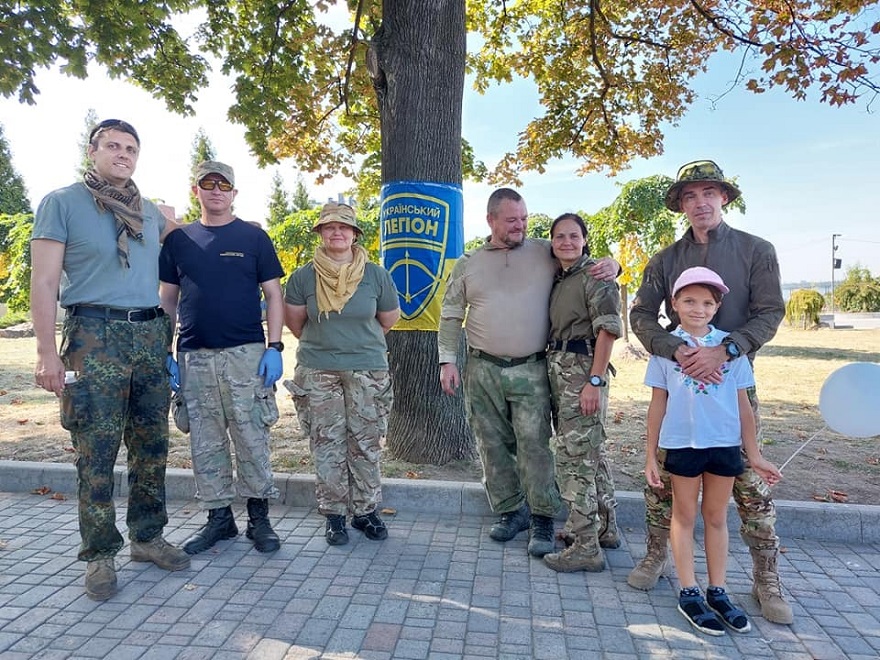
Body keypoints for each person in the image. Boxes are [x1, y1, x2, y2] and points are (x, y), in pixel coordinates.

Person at [31, 118, 190, 601]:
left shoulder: (148, 211)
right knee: (96, 450)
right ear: (92, 150)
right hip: (92, 334)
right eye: (114, 146)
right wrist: (44, 352)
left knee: (151, 444)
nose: (123, 154)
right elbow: (43, 282)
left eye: (131, 149)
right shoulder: (62, 203)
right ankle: (100, 554)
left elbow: (192, 240)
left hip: (148, 335)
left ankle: (146, 537)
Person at [628, 159, 791, 624]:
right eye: (690, 196)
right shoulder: (664, 260)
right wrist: (676, 350)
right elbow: (641, 315)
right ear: (681, 204)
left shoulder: (756, 250)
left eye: (708, 193)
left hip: (731, 382)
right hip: (677, 384)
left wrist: (727, 350)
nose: (700, 202)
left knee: (750, 487)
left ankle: (765, 577)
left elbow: (769, 312)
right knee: (664, 483)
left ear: (723, 197)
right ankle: (659, 556)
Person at [438, 188, 618, 558]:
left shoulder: (543, 251)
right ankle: (510, 511)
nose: (520, 225)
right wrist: (447, 360)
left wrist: (614, 263)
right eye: (511, 220)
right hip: (482, 367)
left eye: (523, 218)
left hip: (532, 368)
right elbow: (452, 313)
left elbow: (583, 262)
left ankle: (542, 517)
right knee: (490, 443)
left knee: (535, 445)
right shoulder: (468, 263)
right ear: (491, 220)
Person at [644, 266, 782, 635]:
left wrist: (754, 455)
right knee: (684, 516)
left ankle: (717, 590)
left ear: (717, 306)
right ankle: (688, 591)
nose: (698, 309)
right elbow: (657, 405)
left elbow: (744, 408)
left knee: (717, 517)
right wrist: (649, 456)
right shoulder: (664, 349)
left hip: (723, 445)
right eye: (689, 300)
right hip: (683, 445)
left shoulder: (730, 349)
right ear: (674, 304)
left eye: (707, 302)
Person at [158, 160, 285, 555]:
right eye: (207, 184)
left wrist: (275, 347)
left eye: (223, 184)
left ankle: (258, 518)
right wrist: (166, 350)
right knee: (207, 441)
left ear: (234, 192)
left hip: (246, 354)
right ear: (195, 190)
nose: (216, 190)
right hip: (195, 356)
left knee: (251, 435)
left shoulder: (253, 238)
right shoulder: (178, 242)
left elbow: (274, 295)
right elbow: (167, 298)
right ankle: (219, 520)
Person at [283, 202, 399, 546]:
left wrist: (356, 345)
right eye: (329, 227)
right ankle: (334, 515)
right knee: (326, 443)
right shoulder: (303, 277)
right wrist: (331, 346)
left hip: (367, 370)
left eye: (344, 227)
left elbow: (388, 320)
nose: (337, 232)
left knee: (365, 443)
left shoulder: (377, 275)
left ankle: (365, 511)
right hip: (319, 370)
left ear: (354, 234)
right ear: (320, 232)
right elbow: (296, 323)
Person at [542, 213, 622, 573]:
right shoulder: (562, 276)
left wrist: (595, 380)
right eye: (560, 237)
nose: (567, 242)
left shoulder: (596, 277)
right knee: (591, 453)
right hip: (561, 367)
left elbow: (607, 330)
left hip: (582, 369)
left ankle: (586, 546)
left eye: (574, 236)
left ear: (585, 239)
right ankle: (604, 528)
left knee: (574, 459)